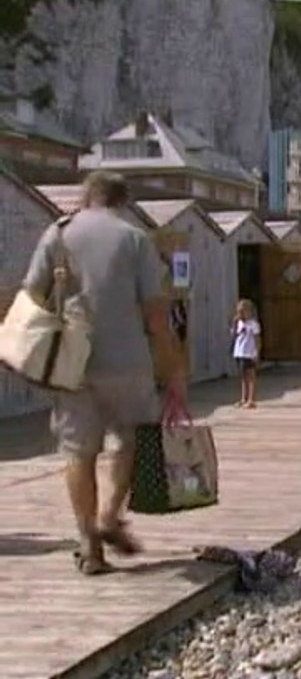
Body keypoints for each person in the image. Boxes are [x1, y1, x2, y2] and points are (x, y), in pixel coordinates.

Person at [21, 171, 187, 575]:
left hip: (71, 366)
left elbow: (31, 297)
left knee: (78, 452)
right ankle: (110, 515)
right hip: (128, 362)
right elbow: (155, 315)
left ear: (86, 198)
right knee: (133, 440)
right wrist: (174, 371)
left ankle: (88, 544)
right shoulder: (135, 239)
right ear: (123, 201)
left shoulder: (57, 235)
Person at [231, 298, 261, 408]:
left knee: (251, 376)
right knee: (243, 377)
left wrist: (256, 352)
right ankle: (243, 398)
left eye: (243, 312)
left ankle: (251, 399)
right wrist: (234, 325)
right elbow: (234, 335)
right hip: (239, 352)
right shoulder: (238, 323)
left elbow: (257, 339)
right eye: (239, 312)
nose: (241, 315)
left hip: (249, 352)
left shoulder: (253, 324)